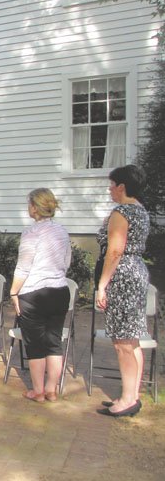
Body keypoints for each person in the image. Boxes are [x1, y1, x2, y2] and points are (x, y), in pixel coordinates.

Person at [95, 165, 150, 418]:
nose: (109, 189)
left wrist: (102, 285)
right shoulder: (141, 210)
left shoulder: (122, 212)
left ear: (122, 187)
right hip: (137, 272)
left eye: (112, 184)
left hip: (123, 277)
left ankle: (127, 400)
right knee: (133, 340)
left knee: (122, 343)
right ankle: (132, 394)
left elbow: (115, 252)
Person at [9, 189, 71, 403]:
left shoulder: (31, 233)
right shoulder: (62, 231)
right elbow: (66, 262)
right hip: (60, 290)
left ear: (35, 207)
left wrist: (13, 291)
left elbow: (24, 267)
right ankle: (52, 389)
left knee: (35, 343)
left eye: (29, 204)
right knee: (54, 342)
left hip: (34, 293)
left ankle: (38, 391)